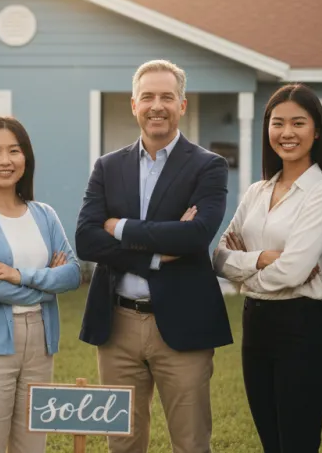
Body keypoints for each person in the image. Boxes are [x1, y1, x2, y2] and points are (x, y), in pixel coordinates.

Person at [76, 59, 231, 453]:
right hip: (118, 325)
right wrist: (157, 256)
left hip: (184, 325)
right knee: (122, 443)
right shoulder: (108, 167)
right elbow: (86, 240)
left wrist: (121, 227)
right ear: (134, 104)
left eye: (166, 96)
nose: (156, 105)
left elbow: (196, 236)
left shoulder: (208, 166)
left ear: (183, 105)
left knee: (191, 442)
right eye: (148, 97)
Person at [212, 84, 322, 452]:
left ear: (316, 131)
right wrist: (260, 258)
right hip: (256, 325)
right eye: (277, 123)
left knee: (296, 443)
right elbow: (218, 257)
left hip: (301, 328)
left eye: (298, 123)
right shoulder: (256, 192)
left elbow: (293, 272)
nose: (287, 133)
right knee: (271, 442)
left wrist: (246, 273)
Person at [0, 116, 82, 453]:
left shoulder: (44, 214)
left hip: (41, 344)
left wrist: (20, 275)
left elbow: (73, 274)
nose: (5, 160)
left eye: (14, 150)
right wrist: (47, 284)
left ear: (26, 158)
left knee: (32, 445)